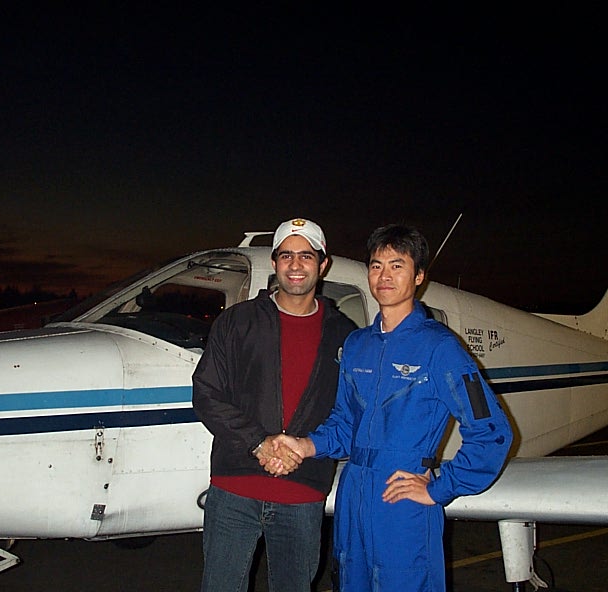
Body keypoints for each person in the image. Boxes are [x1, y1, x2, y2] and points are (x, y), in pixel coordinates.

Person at [266, 223, 513, 591]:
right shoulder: (356, 345)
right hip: (353, 496)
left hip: (403, 501)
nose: (384, 276)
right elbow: (344, 424)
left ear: (419, 276)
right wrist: (304, 445)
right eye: (376, 265)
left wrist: (440, 487)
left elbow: (492, 432)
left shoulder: (440, 348)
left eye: (397, 266)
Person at [191, 217, 356, 592]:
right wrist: (259, 443)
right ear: (274, 263)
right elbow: (206, 392)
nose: (296, 265)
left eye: (306, 256)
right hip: (234, 489)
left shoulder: (345, 335)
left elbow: (349, 413)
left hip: (303, 493)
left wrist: (304, 448)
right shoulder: (236, 322)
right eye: (286, 256)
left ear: (323, 264)